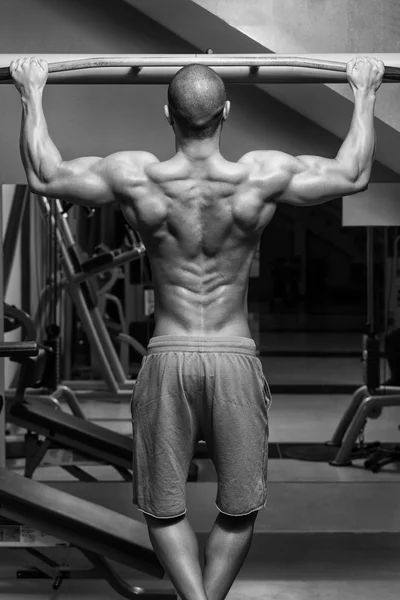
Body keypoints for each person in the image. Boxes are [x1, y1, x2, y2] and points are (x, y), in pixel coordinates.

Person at [11, 55, 383, 600]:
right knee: (240, 505)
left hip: (168, 358)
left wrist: (31, 91)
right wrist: (365, 90)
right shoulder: (260, 175)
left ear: (167, 114)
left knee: (163, 507)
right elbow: (353, 173)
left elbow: (45, 174)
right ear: (227, 113)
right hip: (234, 356)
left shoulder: (136, 176)